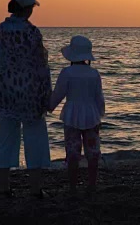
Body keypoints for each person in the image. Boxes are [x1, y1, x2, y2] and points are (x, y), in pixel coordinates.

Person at [0, 0, 52, 198]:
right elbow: (41, 67)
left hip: (6, 93)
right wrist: (46, 95)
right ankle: (35, 188)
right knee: (35, 139)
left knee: (6, 139)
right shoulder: (32, 32)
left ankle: (4, 187)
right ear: (28, 9)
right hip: (30, 94)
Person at [48, 35, 105, 194]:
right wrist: (100, 114)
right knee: (92, 153)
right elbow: (99, 97)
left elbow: (58, 94)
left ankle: (73, 186)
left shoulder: (67, 72)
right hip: (91, 114)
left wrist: (49, 106)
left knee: (72, 153)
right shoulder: (94, 74)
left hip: (72, 115)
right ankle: (92, 184)